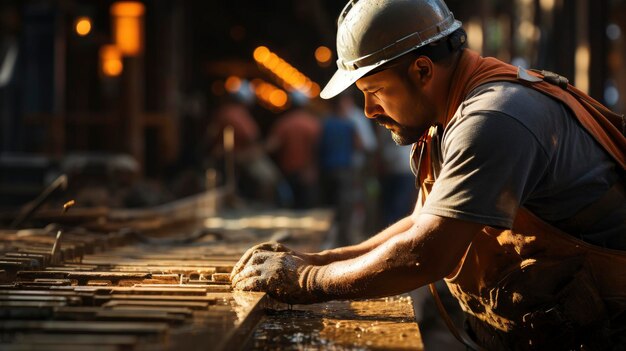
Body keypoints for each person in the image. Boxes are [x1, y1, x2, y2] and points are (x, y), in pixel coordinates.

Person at [231, 0, 626, 349]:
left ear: (422, 70)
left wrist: (307, 281)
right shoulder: (449, 118)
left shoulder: (493, 119)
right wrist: (316, 259)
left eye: (376, 90)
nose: (369, 110)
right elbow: (420, 223)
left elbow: (428, 253)